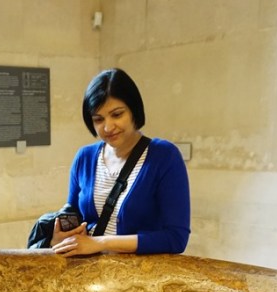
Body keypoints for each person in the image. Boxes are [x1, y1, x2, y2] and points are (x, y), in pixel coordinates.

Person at [50, 68, 190, 256]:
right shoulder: (84, 157)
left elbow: (175, 238)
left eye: (117, 114)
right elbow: (73, 217)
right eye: (98, 119)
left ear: (133, 111)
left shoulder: (164, 156)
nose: (108, 127)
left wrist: (101, 242)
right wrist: (60, 239)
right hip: (89, 271)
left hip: (139, 272)